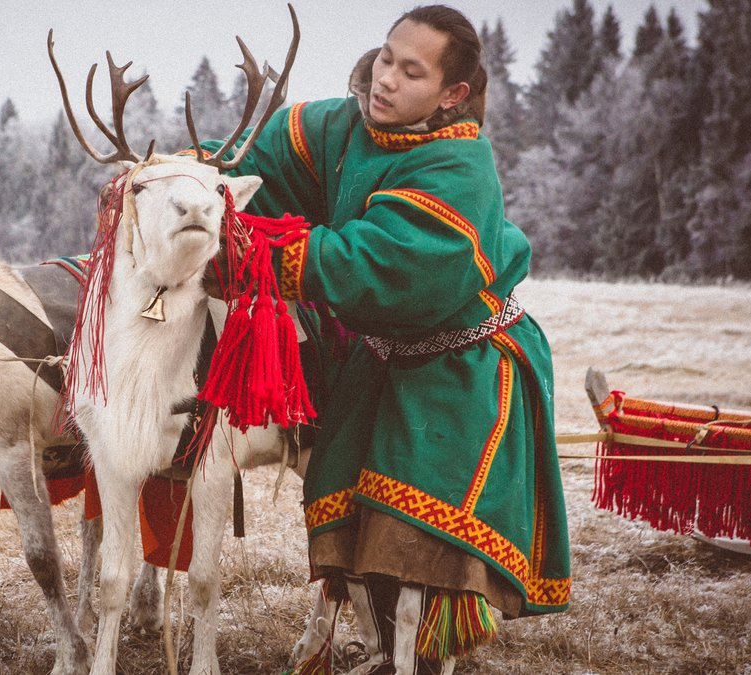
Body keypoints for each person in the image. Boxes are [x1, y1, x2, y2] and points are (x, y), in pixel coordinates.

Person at [202, 6, 571, 674]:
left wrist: (267, 260)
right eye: (385, 57)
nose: (385, 79)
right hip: (385, 358)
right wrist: (197, 194)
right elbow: (263, 166)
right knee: (357, 524)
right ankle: (387, 652)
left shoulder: (460, 168)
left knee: (415, 542)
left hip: (462, 368)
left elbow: (376, 265)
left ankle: (418, 660)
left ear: (452, 93)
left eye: (411, 70)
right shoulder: (341, 127)